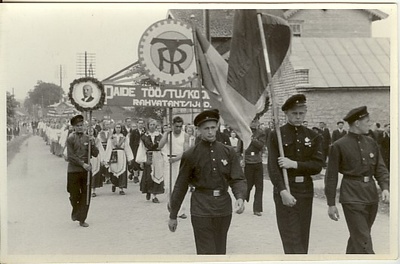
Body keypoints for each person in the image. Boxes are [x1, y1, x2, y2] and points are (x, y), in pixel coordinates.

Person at [168, 109, 247, 255]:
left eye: (213, 127)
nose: (210, 132)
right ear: (198, 130)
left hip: (223, 208)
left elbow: (237, 178)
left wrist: (240, 197)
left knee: (220, 250)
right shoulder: (190, 155)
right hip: (201, 209)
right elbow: (180, 186)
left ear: (217, 127)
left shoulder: (228, 152)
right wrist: (173, 214)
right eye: (206, 129)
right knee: (206, 252)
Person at [325, 106, 390, 254]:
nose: (370, 124)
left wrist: (385, 187)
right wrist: (331, 204)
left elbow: (380, 168)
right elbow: (331, 176)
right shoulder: (338, 145)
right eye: (367, 121)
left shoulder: (372, 143)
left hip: (371, 196)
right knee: (363, 239)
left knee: (358, 238)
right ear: (357, 123)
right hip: (351, 196)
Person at [267, 94, 324, 254]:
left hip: (305, 191)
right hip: (286, 190)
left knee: (303, 236)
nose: (298, 117)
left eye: (301, 113)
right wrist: (282, 190)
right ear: (286, 113)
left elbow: (317, 166)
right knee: (291, 238)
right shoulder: (276, 135)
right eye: (294, 113)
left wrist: (295, 164)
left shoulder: (313, 136)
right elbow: (273, 167)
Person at [66, 114, 99, 227]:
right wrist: (82, 164)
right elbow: (70, 156)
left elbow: (95, 154)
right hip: (73, 170)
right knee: (73, 194)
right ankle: (76, 210)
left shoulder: (88, 138)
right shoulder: (70, 138)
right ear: (74, 127)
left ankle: (82, 218)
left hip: (86, 171)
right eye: (78, 126)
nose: (80, 127)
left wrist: (93, 144)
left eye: (82, 125)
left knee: (86, 195)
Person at [159, 116, 190, 218]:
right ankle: (171, 205)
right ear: (172, 125)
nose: (178, 128)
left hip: (180, 161)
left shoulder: (185, 135)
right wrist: (166, 133)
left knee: (180, 186)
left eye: (180, 126)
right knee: (168, 186)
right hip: (168, 161)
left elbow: (186, 151)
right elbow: (160, 146)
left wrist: (176, 158)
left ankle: (181, 210)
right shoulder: (168, 135)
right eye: (176, 126)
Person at [239, 118, 266, 216]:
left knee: (259, 186)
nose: (254, 123)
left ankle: (257, 209)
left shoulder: (261, 133)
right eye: (252, 121)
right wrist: (240, 160)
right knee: (248, 185)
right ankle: (241, 203)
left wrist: (252, 139)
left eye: (256, 121)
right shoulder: (243, 132)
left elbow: (261, 146)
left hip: (258, 161)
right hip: (247, 162)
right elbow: (239, 149)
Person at [104, 123, 134, 195]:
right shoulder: (111, 138)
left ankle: (121, 188)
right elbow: (108, 148)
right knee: (113, 170)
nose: (118, 129)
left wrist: (129, 158)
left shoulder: (124, 138)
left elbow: (127, 147)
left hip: (121, 155)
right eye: (117, 127)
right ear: (114, 129)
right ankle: (114, 184)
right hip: (113, 154)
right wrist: (107, 159)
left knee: (122, 170)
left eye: (119, 127)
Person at [140, 118, 164, 203]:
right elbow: (142, 148)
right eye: (151, 125)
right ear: (148, 126)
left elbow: (163, 147)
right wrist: (142, 160)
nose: (152, 126)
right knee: (149, 176)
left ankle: (155, 195)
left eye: (154, 125)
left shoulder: (160, 136)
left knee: (156, 175)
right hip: (149, 156)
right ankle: (148, 191)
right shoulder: (144, 136)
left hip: (157, 156)